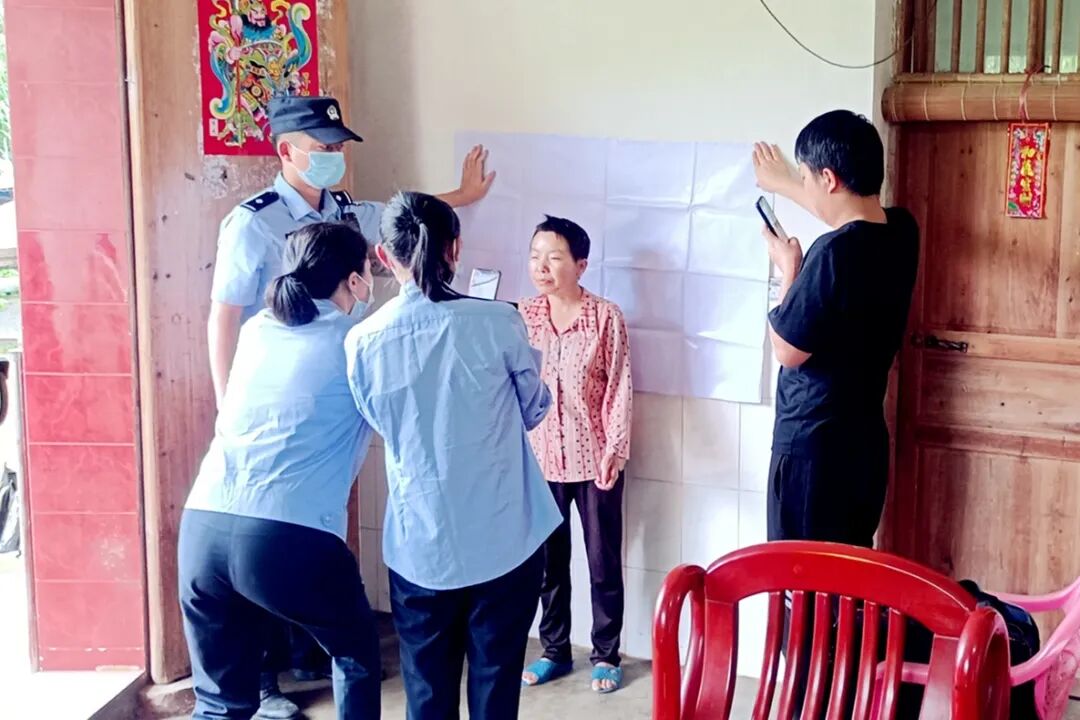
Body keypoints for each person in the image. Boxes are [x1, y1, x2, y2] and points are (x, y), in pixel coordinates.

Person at [205, 94, 494, 717]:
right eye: (323, 147)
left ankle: (300, 659)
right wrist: (228, 407)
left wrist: (463, 196)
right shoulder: (251, 223)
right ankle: (265, 681)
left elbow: (402, 217)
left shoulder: (342, 210)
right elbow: (224, 316)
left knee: (291, 558)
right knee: (280, 563)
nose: (334, 156)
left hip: (302, 420)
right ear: (287, 151)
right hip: (269, 409)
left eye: (338, 146)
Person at [345, 192, 562, 720]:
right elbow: (534, 409)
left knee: (427, 692)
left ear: (383, 256)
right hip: (505, 537)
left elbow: (378, 421)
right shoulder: (500, 322)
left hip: (421, 544)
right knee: (496, 684)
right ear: (456, 248)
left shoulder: (362, 341)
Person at [181, 222, 380, 720]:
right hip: (288, 537)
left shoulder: (257, 330)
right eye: (368, 270)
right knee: (355, 654)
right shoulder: (358, 340)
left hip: (203, 526)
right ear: (355, 281)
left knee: (220, 703)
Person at [752, 109, 919, 548]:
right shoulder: (902, 233)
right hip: (863, 447)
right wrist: (786, 182)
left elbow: (787, 349)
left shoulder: (831, 254)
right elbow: (849, 211)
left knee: (800, 576)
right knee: (849, 574)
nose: (804, 186)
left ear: (828, 178)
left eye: (806, 177)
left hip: (812, 450)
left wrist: (789, 268)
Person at [517, 216, 633, 694]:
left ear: (581, 265)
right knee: (548, 564)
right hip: (540, 460)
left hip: (595, 461)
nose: (541, 267)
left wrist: (615, 449)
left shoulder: (605, 316)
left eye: (554, 258)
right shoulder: (522, 317)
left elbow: (619, 386)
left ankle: (606, 654)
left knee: (603, 562)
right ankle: (555, 651)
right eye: (535, 257)